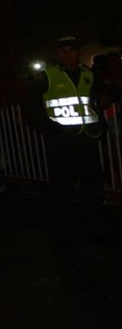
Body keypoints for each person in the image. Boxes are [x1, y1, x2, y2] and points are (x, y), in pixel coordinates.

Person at [23, 36, 110, 287]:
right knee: (62, 192)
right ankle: (61, 238)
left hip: (87, 142)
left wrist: (100, 124)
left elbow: (98, 99)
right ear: (59, 54)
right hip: (62, 146)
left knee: (93, 190)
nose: (69, 55)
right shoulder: (47, 77)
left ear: (78, 53)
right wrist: (50, 130)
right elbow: (30, 108)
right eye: (65, 51)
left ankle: (94, 232)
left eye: (73, 51)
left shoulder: (89, 75)